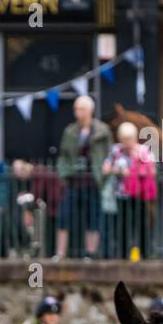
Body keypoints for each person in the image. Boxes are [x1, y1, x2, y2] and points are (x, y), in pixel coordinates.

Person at [55, 95, 113, 261]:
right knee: (64, 215)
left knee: (92, 217)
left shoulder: (102, 130)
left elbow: (109, 153)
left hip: (92, 180)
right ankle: (60, 253)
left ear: (90, 110)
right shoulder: (70, 131)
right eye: (76, 109)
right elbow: (63, 155)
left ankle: (90, 253)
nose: (77, 113)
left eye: (81, 109)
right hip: (74, 179)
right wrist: (63, 172)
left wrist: (105, 168)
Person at [104, 121, 157, 259]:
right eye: (125, 138)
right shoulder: (116, 150)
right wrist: (121, 171)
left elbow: (152, 170)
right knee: (122, 225)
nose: (128, 142)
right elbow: (106, 169)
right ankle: (122, 255)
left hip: (140, 194)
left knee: (142, 224)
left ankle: (146, 254)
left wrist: (136, 171)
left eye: (130, 138)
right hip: (122, 194)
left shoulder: (143, 150)